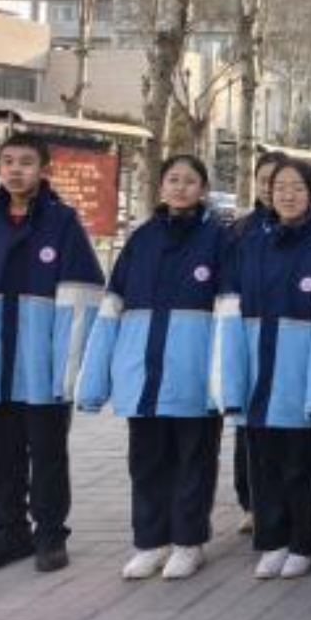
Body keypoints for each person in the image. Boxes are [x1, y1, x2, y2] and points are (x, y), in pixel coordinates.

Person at [0, 132, 104, 575]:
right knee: (0, 453)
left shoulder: (62, 222)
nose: (15, 170)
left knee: (48, 452)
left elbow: (83, 297)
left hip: (43, 364)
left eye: (25, 162)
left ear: (43, 170)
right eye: (8, 161)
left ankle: (50, 535)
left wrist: (68, 365)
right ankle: (8, 535)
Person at [76, 154, 229, 581]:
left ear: (203, 189)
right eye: (173, 179)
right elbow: (112, 308)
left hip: (193, 375)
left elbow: (229, 314)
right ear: (161, 187)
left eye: (190, 181)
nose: (180, 188)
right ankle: (150, 541)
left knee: (193, 461)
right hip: (141, 374)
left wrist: (224, 377)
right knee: (146, 462)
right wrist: (96, 378)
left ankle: (188, 542)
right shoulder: (141, 239)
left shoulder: (219, 240)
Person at [211, 159, 311, 580]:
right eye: (280, 188)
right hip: (258, 372)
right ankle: (272, 540)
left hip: (300, 373)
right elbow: (230, 312)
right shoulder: (250, 244)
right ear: (268, 194)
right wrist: (231, 377)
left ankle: (303, 543)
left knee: (300, 466)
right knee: (262, 465)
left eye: (297, 187)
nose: (288, 195)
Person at [230, 152, 285, 526]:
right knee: (247, 424)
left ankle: (285, 502)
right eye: (265, 180)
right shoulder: (240, 231)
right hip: (247, 336)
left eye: (278, 181)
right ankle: (251, 502)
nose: (271, 188)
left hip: (290, 338)